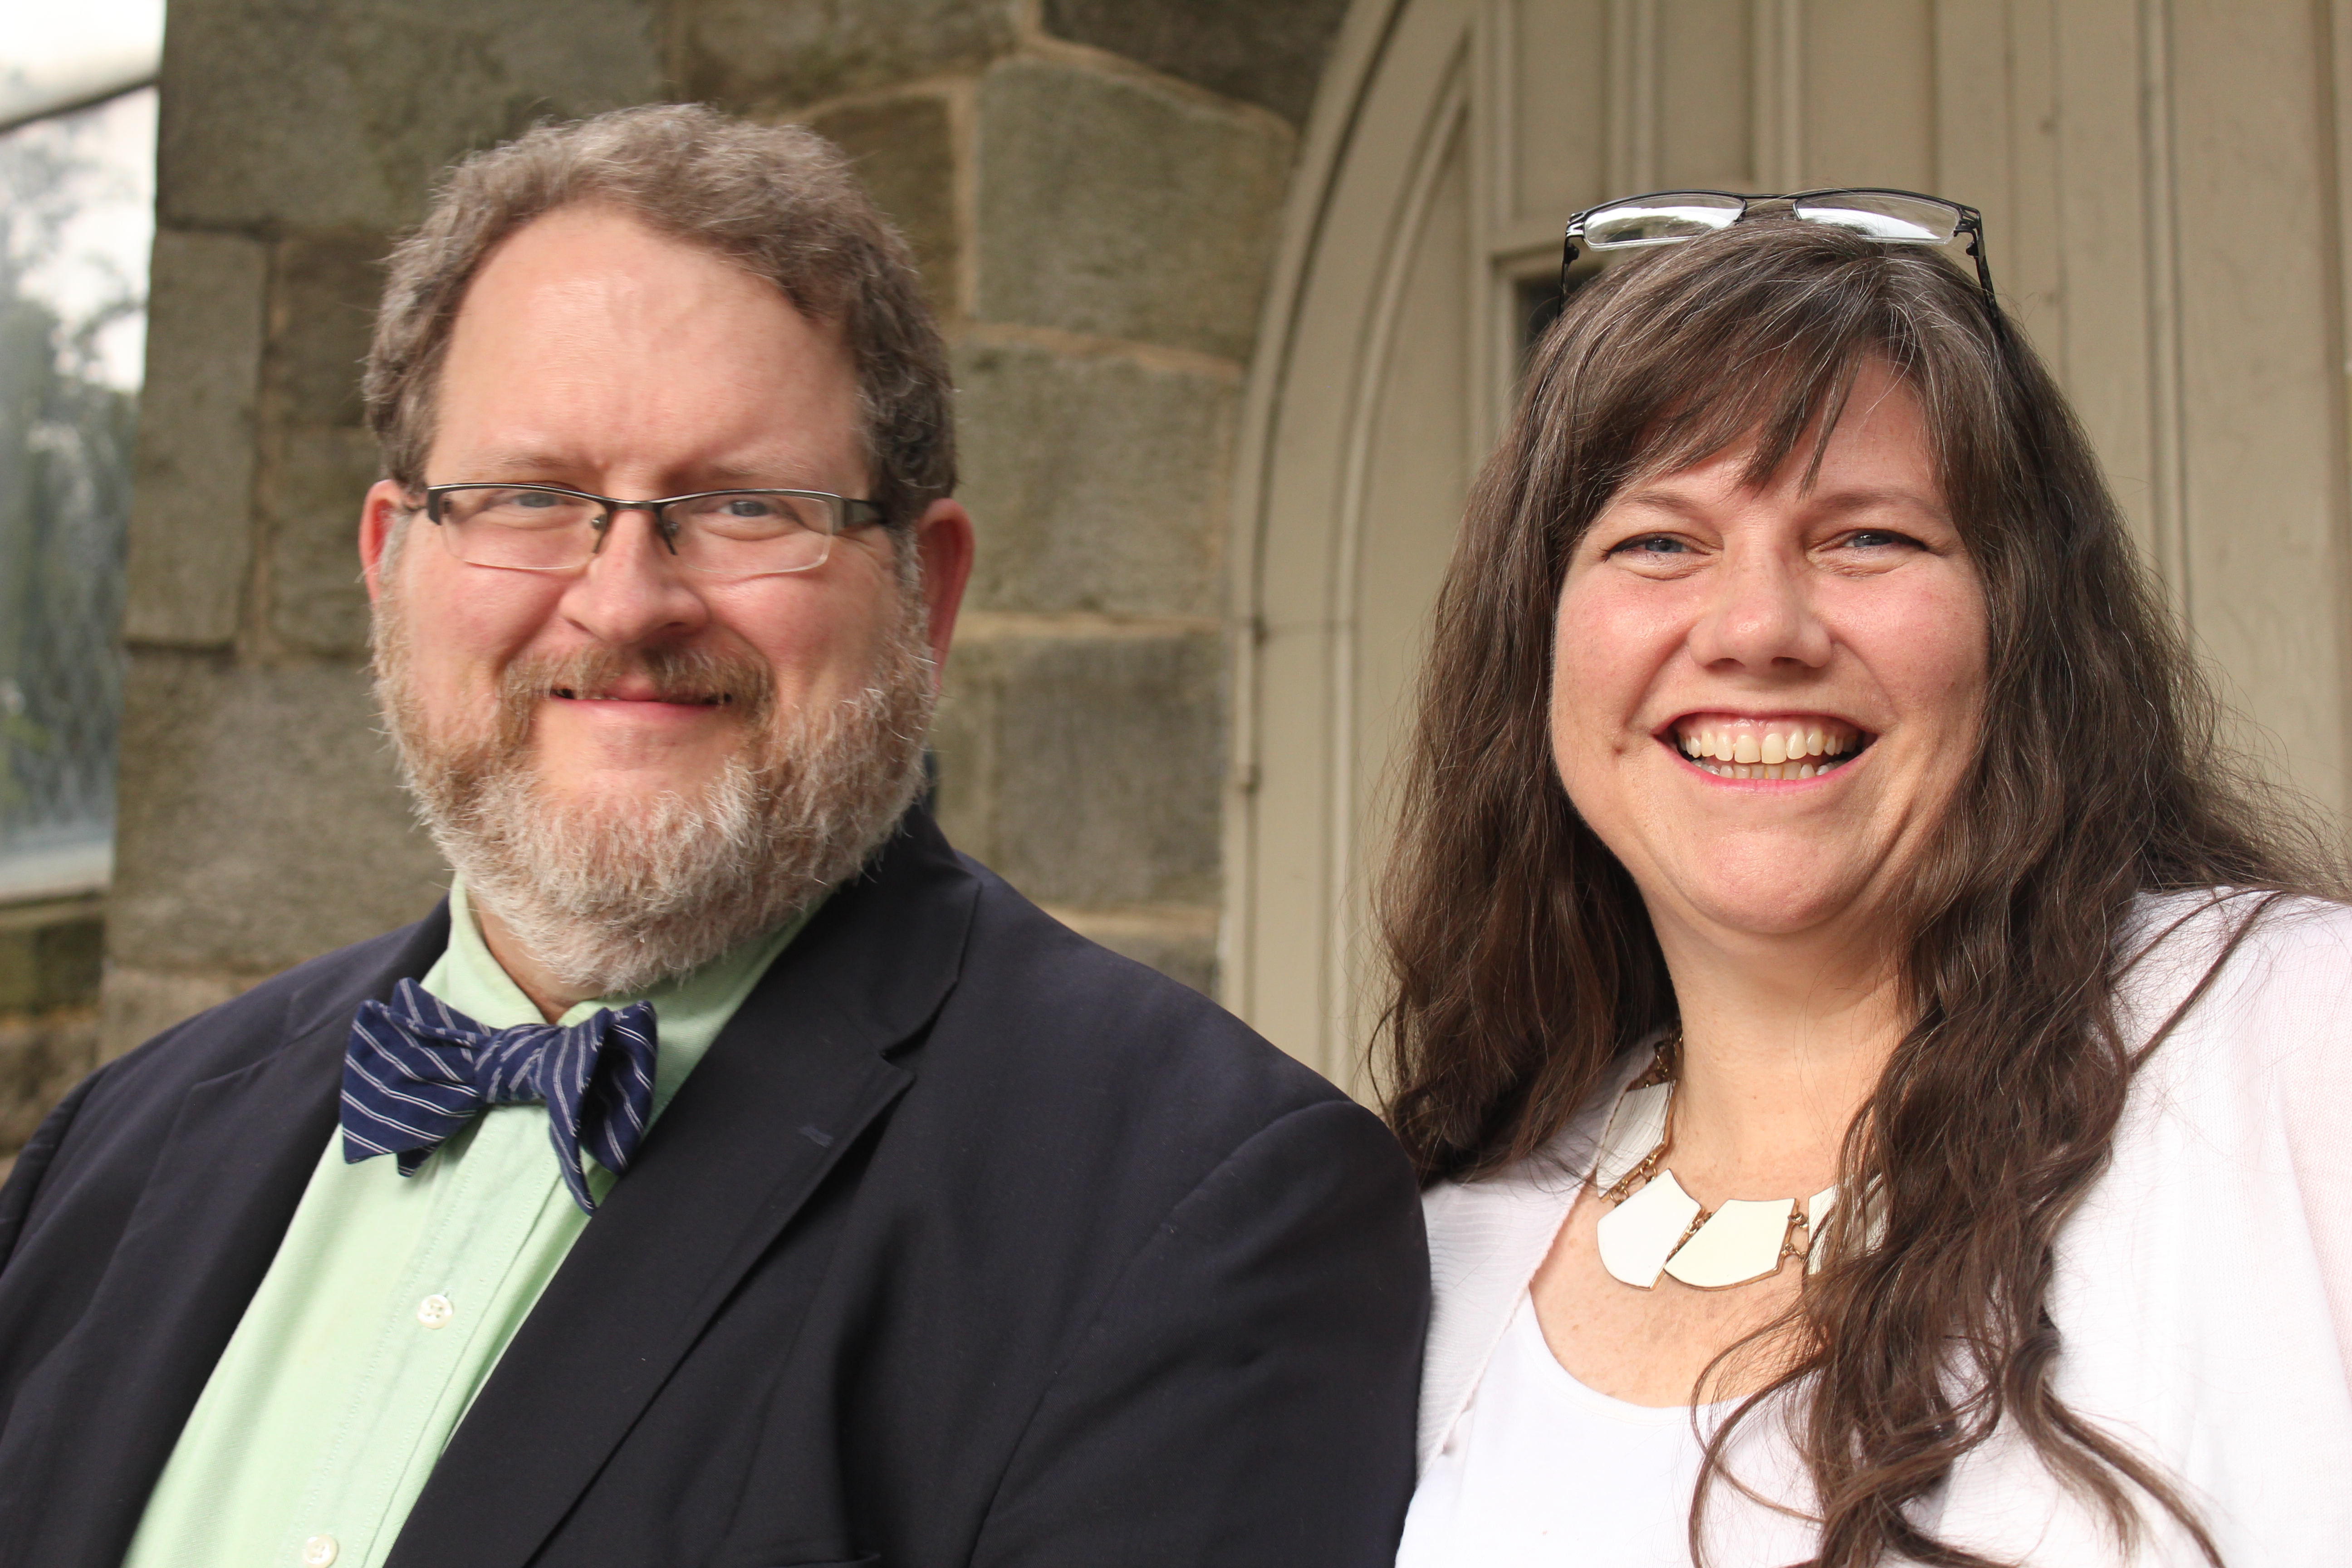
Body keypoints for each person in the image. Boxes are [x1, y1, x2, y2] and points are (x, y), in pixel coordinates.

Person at [0, 105, 1427, 1568]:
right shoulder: (120, 1146)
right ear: (390, 566)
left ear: (924, 590)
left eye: (745, 506)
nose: (625, 603)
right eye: (532, 497)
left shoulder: (1200, 1204)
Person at [1381, 196, 2352, 1567]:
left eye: (1867, 538)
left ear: (2022, 630)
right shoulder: (1443, 1266)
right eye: (1660, 540)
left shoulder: (2293, 1043)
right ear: (1538, 648)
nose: (1759, 628)